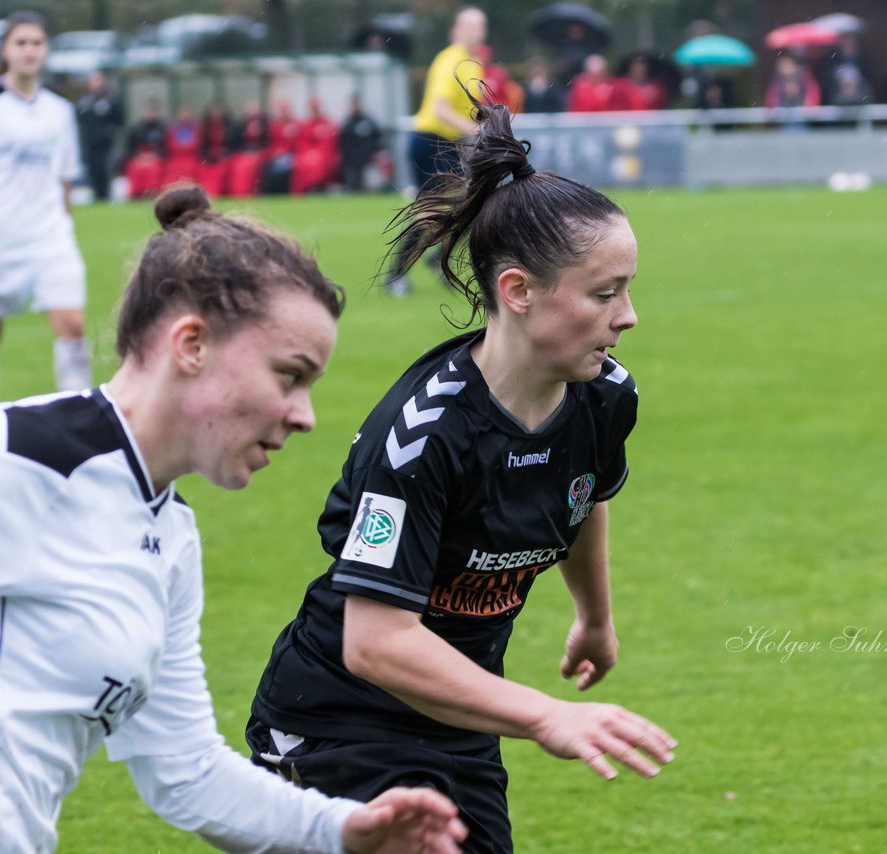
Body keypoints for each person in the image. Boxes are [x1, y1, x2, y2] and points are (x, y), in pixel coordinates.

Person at [0, 184, 468, 854]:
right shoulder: (17, 459)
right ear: (192, 344)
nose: (305, 415)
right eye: (290, 375)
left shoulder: (169, 535)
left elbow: (187, 771)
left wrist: (343, 829)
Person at [246, 94, 676, 854]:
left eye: (628, 288)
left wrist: (596, 618)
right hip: (336, 725)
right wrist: (544, 715)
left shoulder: (605, 395)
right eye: (605, 293)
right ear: (517, 291)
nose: (629, 315)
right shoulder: (424, 437)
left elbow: (582, 499)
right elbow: (375, 642)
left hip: (459, 728)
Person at [0, 11, 92, 412]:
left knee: (73, 328)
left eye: (37, 43)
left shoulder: (60, 109)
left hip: (49, 236)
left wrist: (65, 223)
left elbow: (64, 175)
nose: (30, 51)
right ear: (6, 50)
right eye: (21, 43)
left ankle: (77, 423)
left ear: (46, 50)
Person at [385, 5, 486, 296]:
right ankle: (397, 276)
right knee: (430, 213)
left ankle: (437, 257)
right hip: (430, 142)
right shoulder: (449, 61)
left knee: (475, 204)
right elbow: (441, 110)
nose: (475, 31)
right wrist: (475, 131)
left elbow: (468, 109)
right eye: (469, 26)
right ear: (455, 31)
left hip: (448, 145)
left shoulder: (472, 62)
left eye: (479, 26)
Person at [76, 70, 124, 202]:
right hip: (90, 145)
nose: (95, 84)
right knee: (93, 172)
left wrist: (109, 133)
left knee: (105, 171)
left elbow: (119, 120)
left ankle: (106, 197)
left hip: (106, 145)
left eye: (98, 80)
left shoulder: (111, 100)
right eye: (92, 81)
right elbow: (80, 120)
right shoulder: (84, 101)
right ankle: (97, 197)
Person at [339, 94, 384, 192]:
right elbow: (343, 141)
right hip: (352, 159)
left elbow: (377, 137)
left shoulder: (368, 120)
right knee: (354, 182)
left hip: (368, 158)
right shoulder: (347, 122)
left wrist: (374, 151)